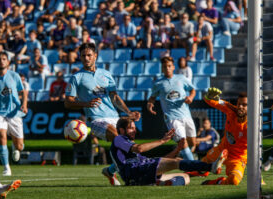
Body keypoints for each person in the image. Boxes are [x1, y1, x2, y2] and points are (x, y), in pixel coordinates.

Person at [64, 42, 141, 186]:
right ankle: (126, 175)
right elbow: (68, 102)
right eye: (83, 56)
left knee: (131, 148)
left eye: (89, 55)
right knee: (118, 138)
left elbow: (114, 97)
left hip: (115, 117)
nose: (86, 58)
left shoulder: (106, 74)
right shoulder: (76, 77)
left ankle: (110, 170)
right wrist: (86, 104)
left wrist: (129, 113)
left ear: (95, 56)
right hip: (95, 120)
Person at [111, 117, 226, 186]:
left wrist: (177, 149)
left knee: (185, 177)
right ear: (121, 130)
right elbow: (139, 148)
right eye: (131, 128)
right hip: (133, 172)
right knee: (177, 162)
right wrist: (162, 141)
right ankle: (211, 167)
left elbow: (163, 162)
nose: (134, 131)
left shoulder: (130, 148)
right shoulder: (119, 138)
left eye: (135, 128)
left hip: (138, 175)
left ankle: (159, 183)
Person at [147, 56, 196, 161]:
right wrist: (150, 104)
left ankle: (187, 158)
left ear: (173, 67)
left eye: (169, 66)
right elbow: (152, 97)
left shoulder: (181, 78)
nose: (167, 68)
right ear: (162, 68)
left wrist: (191, 98)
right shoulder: (158, 83)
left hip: (186, 115)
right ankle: (193, 166)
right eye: (165, 67)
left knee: (193, 142)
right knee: (183, 142)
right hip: (171, 117)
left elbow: (192, 90)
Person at [200, 88, 248, 185]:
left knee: (234, 180)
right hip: (221, 150)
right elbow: (213, 101)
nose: (240, 107)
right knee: (199, 167)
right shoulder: (231, 109)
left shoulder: (252, 125)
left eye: (244, 105)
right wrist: (208, 96)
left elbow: (256, 150)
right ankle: (202, 170)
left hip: (237, 158)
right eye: (239, 104)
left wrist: (259, 176)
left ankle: (217, 182)